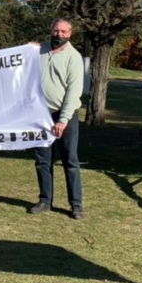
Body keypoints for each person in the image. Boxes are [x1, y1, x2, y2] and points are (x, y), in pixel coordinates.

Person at [30, 18, 84, 219]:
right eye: (56, 30)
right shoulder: (39, 50)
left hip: (65, 115)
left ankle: (76, 205)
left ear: (70, 33)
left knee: (70, 160)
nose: (59, 34)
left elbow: (73, 92)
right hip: (41, 114)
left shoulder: (74, 57)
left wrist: (63, 120)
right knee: (43, 160)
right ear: (50, 30)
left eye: (63, 31)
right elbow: (12, 62)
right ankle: (45, 200)